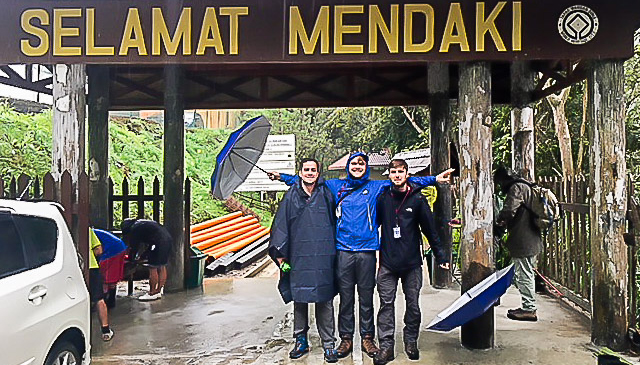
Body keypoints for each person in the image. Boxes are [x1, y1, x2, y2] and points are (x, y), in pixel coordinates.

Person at [270, 152, 453, 358]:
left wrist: (434, 179)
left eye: (361, 164)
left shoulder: (376, 187)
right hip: (343, 250)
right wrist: (282, 177)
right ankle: (345, 338)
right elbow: (306, 180)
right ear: (348, 166)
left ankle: (368, 338)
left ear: (366, 167)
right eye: (354, 163)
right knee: (346, 299)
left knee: (366, 298)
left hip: (367, 250)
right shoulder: (335, 186)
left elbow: (404, 180)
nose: (357, 166)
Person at [373, 159, 449, 365]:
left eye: (401, 172)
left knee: (413, 305)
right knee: (386, 305)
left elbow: (430, 230)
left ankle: (410, 341)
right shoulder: (382, 198)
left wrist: (441, 255)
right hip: (388, 263)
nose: (397, 175)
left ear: (407, 174)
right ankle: (386, 346)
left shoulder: (417, 199)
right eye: (393, 172)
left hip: (412, 264)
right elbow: (374, 223)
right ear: (388, 175)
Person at [269, 158, 339, 363]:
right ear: (300, 172)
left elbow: (336, 219)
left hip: (324, 253)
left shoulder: (326, 193)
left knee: (325, 298)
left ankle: (329, 344)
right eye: (306, 169)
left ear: (318, 173)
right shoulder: (291, 196)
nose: (310, 173)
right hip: (298, 254)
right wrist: (281, 255)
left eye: (313, 170)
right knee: (300, 298)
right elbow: (281, 225)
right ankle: (300, 340)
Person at [494, 166, 543, 321]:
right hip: (530, 237)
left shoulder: (517, 188)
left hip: (524, 239)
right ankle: (527, 306)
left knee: (524, 273)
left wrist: (499, 223)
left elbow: (509, 210)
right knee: (524, 271)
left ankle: (529, 309)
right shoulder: (525, 186)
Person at [121, 218, 172, 301]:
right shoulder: (142, 223)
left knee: (152, 267)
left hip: (158, 242)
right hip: (167, 240)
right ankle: (158, 291)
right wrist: (143, 256)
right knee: (162, 266)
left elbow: (134, 247)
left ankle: (152, 293)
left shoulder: (134, 229)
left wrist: (131, 259)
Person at [89, 228, 114, 341]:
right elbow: (99, 250)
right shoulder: (88, 230)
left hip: (72, 266)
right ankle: (105, 331)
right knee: (99, 299)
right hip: (91, 267)